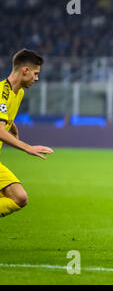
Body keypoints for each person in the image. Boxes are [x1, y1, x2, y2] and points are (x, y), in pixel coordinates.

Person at [0, 49, 54, 217]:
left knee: (19, 198)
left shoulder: (19, 92)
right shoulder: (2, 93)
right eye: (36, 73)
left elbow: (4, 118)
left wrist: (12, 125)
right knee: (18, 197)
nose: (36, 78)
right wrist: (27, 147)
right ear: (25, 70)